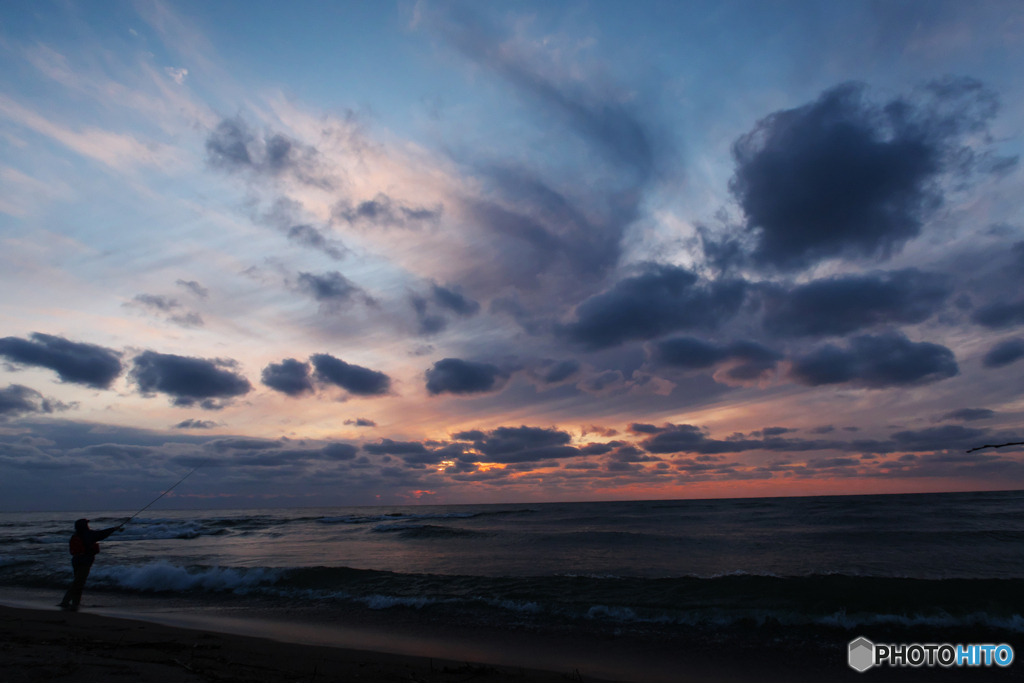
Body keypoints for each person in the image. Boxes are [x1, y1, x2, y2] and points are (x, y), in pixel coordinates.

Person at [59, 518, 123, 611]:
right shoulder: (88, 534)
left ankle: (75, 603)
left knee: (78, 582)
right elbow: (101, 534)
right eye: (86, 524)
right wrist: (113, 529)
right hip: (85, 561)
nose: (88, 525)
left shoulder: (76, 535)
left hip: (76, 560)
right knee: (78, 583)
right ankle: (65, 602)